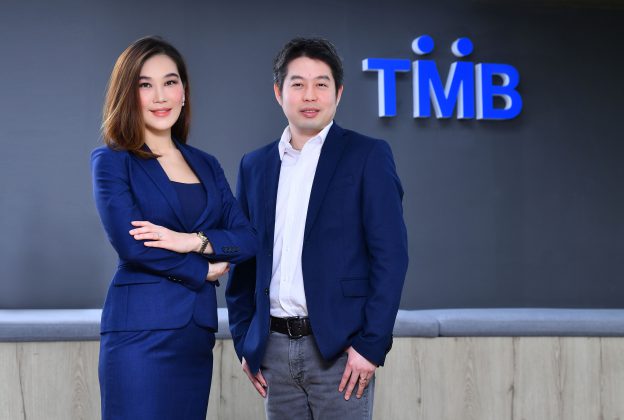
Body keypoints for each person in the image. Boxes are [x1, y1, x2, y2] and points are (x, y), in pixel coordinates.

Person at [225, 38, 409, 419]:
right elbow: (244, 260)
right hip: (273, 352)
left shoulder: (367, 156)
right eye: (298, 84)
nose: (310, 95)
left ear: (338, 93)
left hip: (341, 354)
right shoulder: (254, 166)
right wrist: (245, 341)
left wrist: (370, 346)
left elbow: (391, 257)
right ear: (279, 93)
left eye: (321, 84)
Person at [91, 36, 256, 420]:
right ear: (128, 94)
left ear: (184, 92)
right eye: (145, 85)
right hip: (138, 336)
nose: (160, 96)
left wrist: (192, 241)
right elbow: (133, 246)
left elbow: (247, 240)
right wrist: (202, 269)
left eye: (170, 82)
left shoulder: (206, 164)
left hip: (194, 336)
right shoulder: (113, 161)